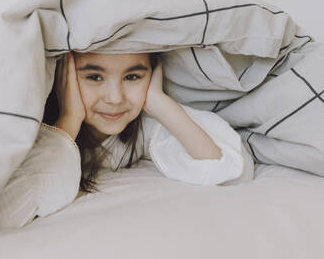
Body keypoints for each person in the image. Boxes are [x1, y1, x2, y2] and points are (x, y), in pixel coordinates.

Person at [44, 51, 254, 193]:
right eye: (94, 77)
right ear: (64, 76)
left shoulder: (144, 124)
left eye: (133, 77)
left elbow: (232, 173)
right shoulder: (38, 129)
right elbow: (28, 198)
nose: (115, 98)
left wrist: (160, 103)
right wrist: (69, 118)